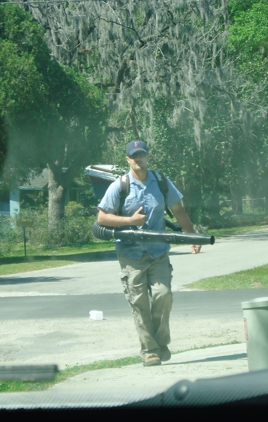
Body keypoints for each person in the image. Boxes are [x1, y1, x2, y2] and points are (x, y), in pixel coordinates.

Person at [97, 140, 202, 367]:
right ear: (127, 159)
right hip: (130, 255)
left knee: (163, 295)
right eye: (134, 156)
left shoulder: (162, 182)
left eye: (142, 154)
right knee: (139, 304)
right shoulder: (120, 186)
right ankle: (150, 351)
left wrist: (191, 235)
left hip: (158, 252)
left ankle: (161, 342)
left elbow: (178, 210)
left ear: (147, 157)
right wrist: (129, 221)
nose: (138, 159)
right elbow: (102, 218)